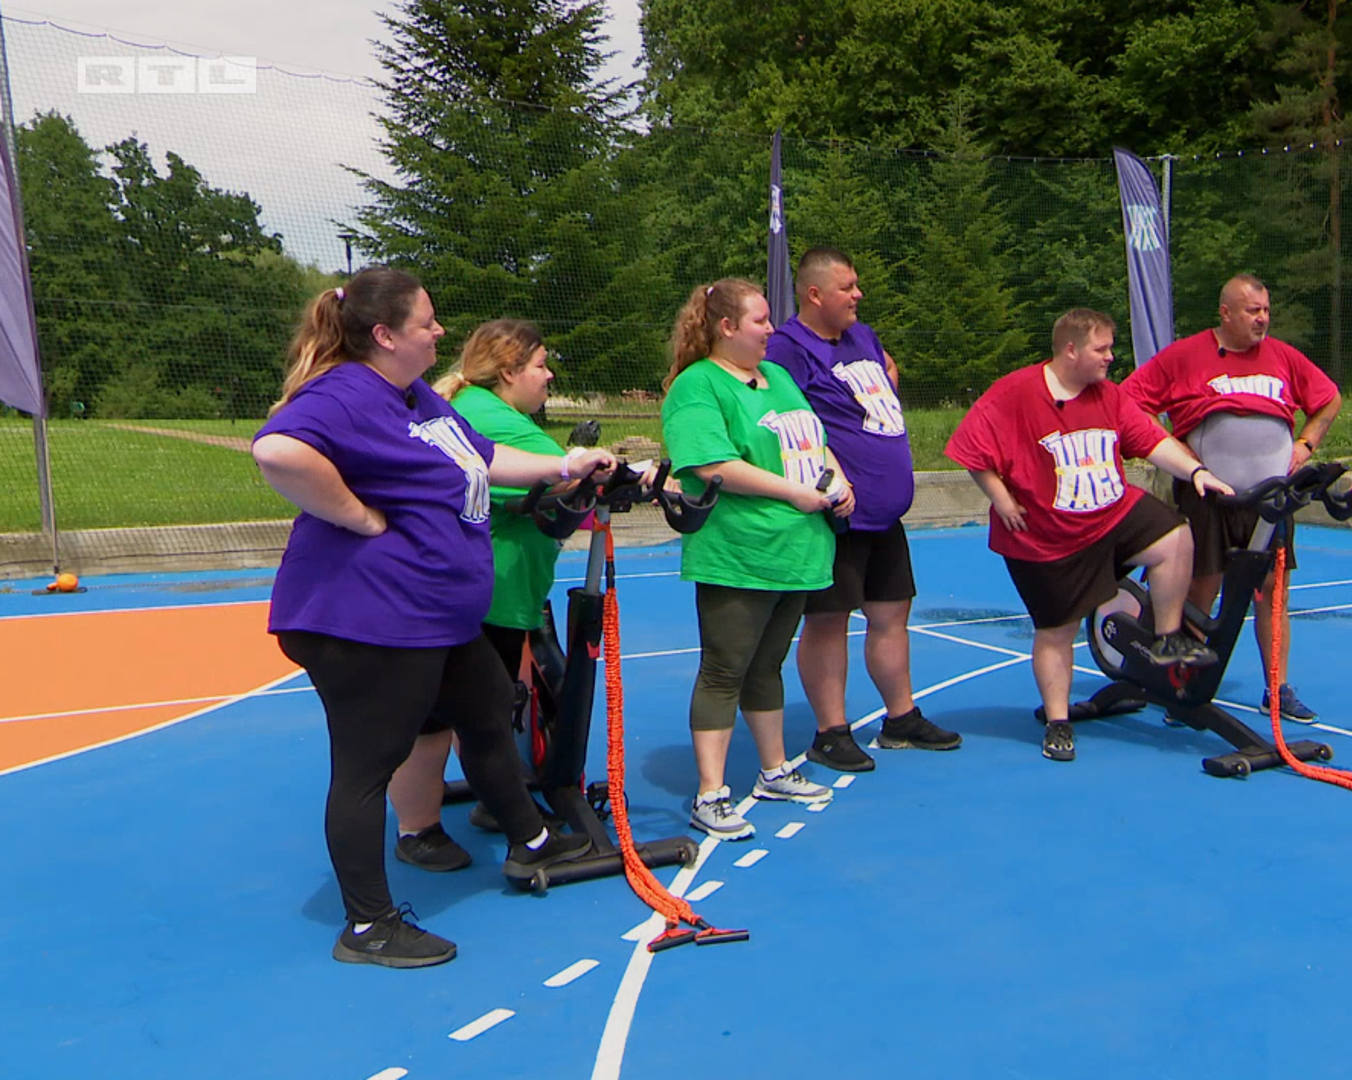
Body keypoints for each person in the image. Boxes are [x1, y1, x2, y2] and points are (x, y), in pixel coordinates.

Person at [252, 267, 618, 968]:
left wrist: (564, 464)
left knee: (486, 709)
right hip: (366, 621)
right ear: (385, 335)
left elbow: (483, 457)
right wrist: (357, 516)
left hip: (433, 615)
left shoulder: (415, 395)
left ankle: (532, 840)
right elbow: (276, 449)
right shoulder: (346, 392)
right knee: (367, 766)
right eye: (427, 323)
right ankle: (367, 926)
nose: (441, 332)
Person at [945, 308, 1234, 763]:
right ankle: (1058, 722)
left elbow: (1153, 441)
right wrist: (1001, 499)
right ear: (1071, 350)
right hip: (1046, 537)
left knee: (1175, 536)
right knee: (1055, 632)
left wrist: (1196, 471)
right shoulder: (1016, 392)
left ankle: (1167, 637)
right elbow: (971, 449)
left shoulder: (1109, 396)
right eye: (1102, 349)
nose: (1110, 357)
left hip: (1109, 515)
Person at [376, 319, 580, 874]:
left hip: (492, 590)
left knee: (479, 710)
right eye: (540, 365)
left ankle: (498, 805)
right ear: (509, 371)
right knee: (447, 717)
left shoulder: (478, 408)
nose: (548, 375)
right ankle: (420, 829)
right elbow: (557, 473)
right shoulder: (489, 415)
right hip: (482, 593)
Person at [661, 278, 851, 840]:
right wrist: (793, 493)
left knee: (767, 665)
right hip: (740, 552)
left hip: (796, 551)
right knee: (725, 668)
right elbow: (709, 463)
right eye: (761, 320)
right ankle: (710, 793)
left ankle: (774, 770)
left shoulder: (778, 377)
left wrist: (837, 480)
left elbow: (813, 441)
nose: (772, 329)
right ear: (727, 327)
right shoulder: (697, 386)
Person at [765, 248, 961, 773]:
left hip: (885, 515)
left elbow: (884, 372)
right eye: (847, 287)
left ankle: (901, 717)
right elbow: (780, 421)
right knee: (828, 621)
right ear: (814, 294)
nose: (858, 294)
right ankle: (831, 732)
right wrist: (827, 474)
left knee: (892, 613)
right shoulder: (786, 349)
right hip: (836, 516)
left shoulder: (863, 336)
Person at [1122, 273, 1341, 722]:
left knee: (1271, 590)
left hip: (1270, 500)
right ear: (1225, 313)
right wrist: (1172, 447)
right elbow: (1129, 401)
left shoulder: (1283, 357)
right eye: (1252, 311)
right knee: (1203, 585)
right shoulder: (1185, 356)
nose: (1262, 319)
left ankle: (1277, 689)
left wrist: (1306, 444)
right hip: (1209, 495)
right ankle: (1184, 685)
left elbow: (1329, 399)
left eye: (1266, 310)